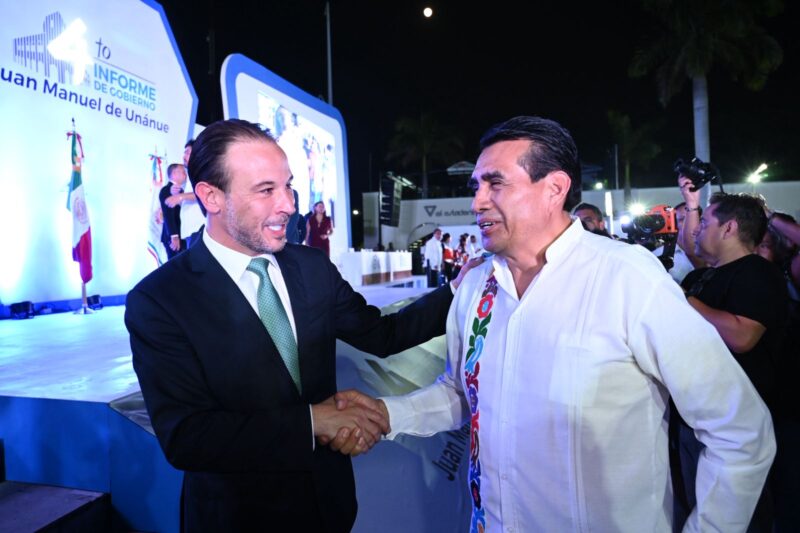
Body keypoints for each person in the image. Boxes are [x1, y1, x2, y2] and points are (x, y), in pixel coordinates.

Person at [334, 116, 775, 532]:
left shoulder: (627, 278)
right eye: (476, 186)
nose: (477, 202)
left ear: (554, 189)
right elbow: (464, 393)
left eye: (496, 184)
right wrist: (388, 414)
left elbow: (739, 431)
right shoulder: (475, 287)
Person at [124, 119, 462, 532]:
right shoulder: (161, 300)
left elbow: (383, 334)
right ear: (212, 197)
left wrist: (459, 289)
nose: (288, 204)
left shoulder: (312, 267)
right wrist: (314, 422)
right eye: (266, 190)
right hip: (238, 520)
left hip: (329, 505)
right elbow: (187, 436)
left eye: (288, 186)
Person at [676, 186, 789, 532]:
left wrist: (685, 301)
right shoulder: (699, 276)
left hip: (738, 427)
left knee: (738, 520)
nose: (696, 230)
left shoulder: (758, 272)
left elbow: (742, 336)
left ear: (729, 228)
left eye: (705, 222)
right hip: (697, 418)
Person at [159, 163, 187, 259]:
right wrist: (174, 236)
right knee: (175, 265)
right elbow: (168, 214)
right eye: (183, 172)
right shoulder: (166, 190)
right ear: (174, 173)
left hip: (181, 235)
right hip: (173, 237)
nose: (185, 174)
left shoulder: (182, 191)